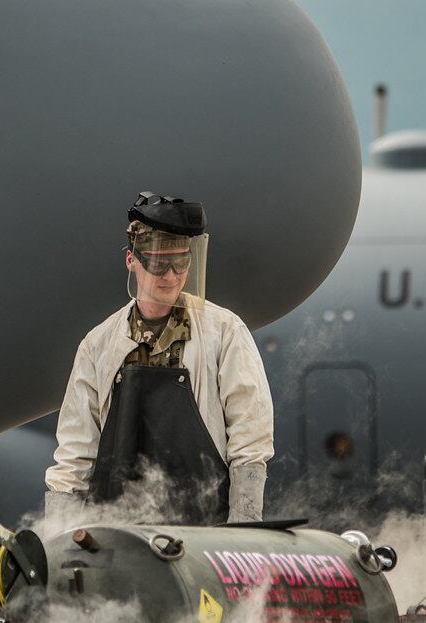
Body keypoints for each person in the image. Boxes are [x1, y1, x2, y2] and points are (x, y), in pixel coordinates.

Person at [45, 193, 272, 527]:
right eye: (158, 263)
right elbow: (75, 458)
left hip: (207, 530)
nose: (170, 276)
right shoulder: (98, 346)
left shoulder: (224, 332)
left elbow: (251, 437)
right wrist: (56, 540)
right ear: (131, 260)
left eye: (180, 263)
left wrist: (243, 530)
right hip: (119, 531)